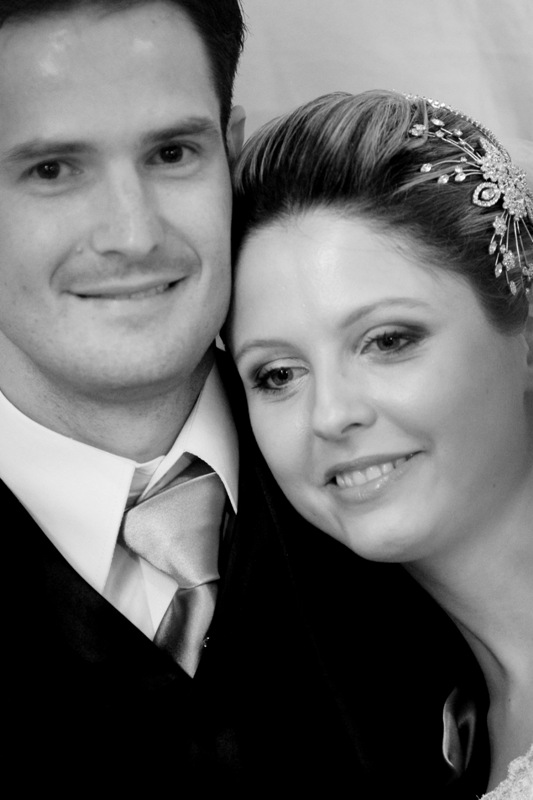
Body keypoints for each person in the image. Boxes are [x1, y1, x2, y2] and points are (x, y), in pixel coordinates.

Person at [0, 2, 497, 791]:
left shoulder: (412, 470)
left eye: (172, 153)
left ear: (228, 152)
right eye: (52, 170)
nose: (133, 234)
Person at [227, 90, 533, 798]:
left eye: (387, 341)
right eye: (277, 375)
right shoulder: (420, 732)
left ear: (525, 334)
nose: (331, 415)